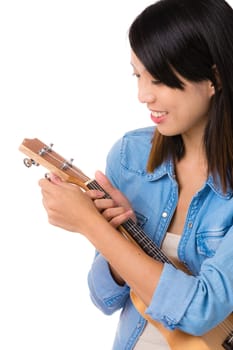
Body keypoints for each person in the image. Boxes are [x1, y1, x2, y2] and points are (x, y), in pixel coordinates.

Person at [38, 0, 233, 349]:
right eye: (137, 75)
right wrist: (121, 236)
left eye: (159, 79)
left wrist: (91, 225)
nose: (143, 95)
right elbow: (104, 298)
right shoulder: (131, 157)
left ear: (214, 78)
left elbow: (204, 307)